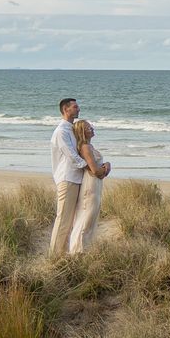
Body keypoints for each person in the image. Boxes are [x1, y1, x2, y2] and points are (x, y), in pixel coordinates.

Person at [49, 97, 93, 258]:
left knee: (70, 219)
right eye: (75, 107)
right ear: (66, 110)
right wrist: (92, 168)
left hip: (75, 178)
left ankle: (64, 252)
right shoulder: (61, 132)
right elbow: (72, 156)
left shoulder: (71, 130)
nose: (78, 109)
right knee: (63, 219)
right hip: (67, 179)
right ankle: (54, 256)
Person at [65, 117, 110, 253]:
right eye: (89, 128)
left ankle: (85, 248)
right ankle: (77, 251)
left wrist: (104, 168)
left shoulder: (89, 146)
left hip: (95, 184)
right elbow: (95, 170)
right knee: (86, 216)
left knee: (91, 216)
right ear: (83, 132)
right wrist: (107, 167)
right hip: (90, 184)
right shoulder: (85, 147)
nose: (93, 129)